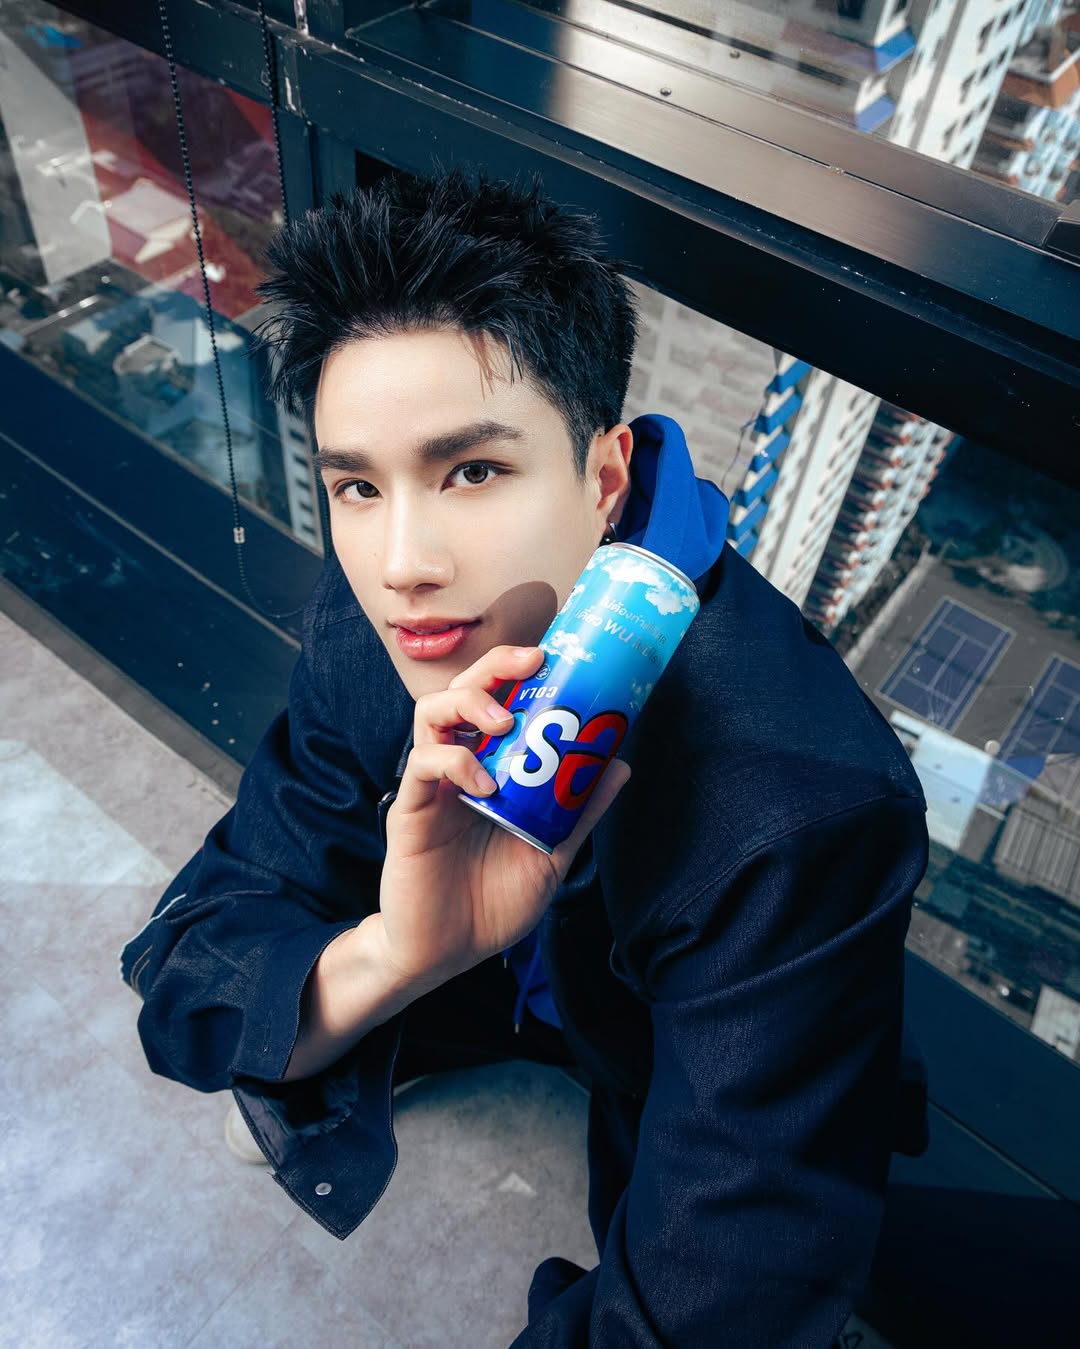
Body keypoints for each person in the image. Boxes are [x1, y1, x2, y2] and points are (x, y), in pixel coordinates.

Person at [120, 166, 930, 1347]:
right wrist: (394, 954)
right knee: (288, 1036)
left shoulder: (797, 806)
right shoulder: (392, 619)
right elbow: (189, 966)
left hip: (663, 1028)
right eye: (357, 484)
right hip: (476, 954)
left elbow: (703, 1311)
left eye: (473, 471)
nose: (404, 562)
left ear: (604, 479)